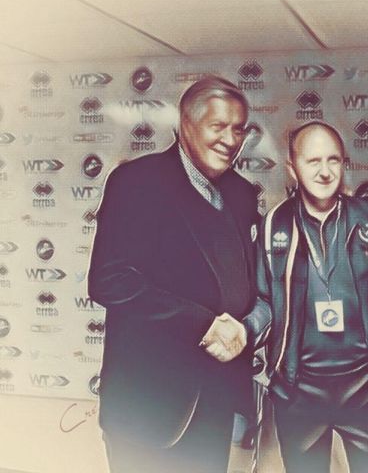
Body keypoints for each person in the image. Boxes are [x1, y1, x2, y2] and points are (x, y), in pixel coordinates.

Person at [208, 121, 368, 473]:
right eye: (313, 161)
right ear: (292, 168)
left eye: (333, 160)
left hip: (366, 388)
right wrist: (245, 331)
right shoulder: (274, 225)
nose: (324, 172)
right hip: (299, 391)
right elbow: (265, 302)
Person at [88, 75, 258, 473]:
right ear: (186, 124)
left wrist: (250, 325)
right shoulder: (136, 182)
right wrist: (203, 325)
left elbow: (243, 284)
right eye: (218, 126)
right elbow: (110, 279)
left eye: (238, 130)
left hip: (216, 403)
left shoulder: (241, 193)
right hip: (147, 408)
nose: (230, 140)